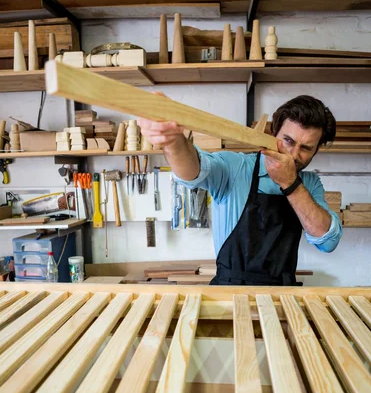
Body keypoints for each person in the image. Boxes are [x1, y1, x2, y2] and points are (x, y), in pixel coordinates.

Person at [138, 94, 342, 286]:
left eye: (306, 148)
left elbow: (327, 241)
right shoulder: (235, 167)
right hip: (230, 292)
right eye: (288, 141)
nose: (294, 154)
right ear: (274, 134)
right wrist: (173, 141)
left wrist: (291, 184)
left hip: (282, 295)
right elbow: (193, 171)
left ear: (317, 149)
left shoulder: (309, 184)